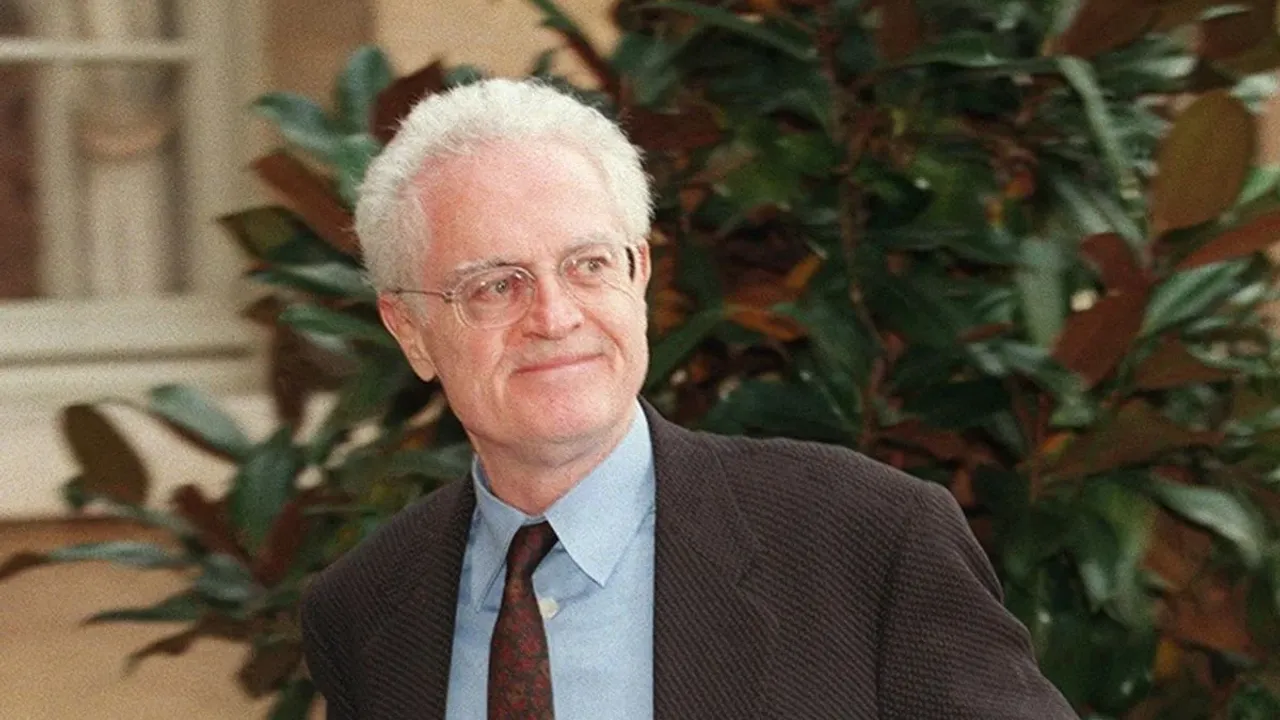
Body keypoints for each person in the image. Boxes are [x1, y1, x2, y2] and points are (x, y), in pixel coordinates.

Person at [298, 78, 1077, 720]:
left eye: (588, 264)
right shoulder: (365, 611)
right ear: (411, 331)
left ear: (639, 274)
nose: (555, 317)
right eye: (497, 285)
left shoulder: (866, 542)